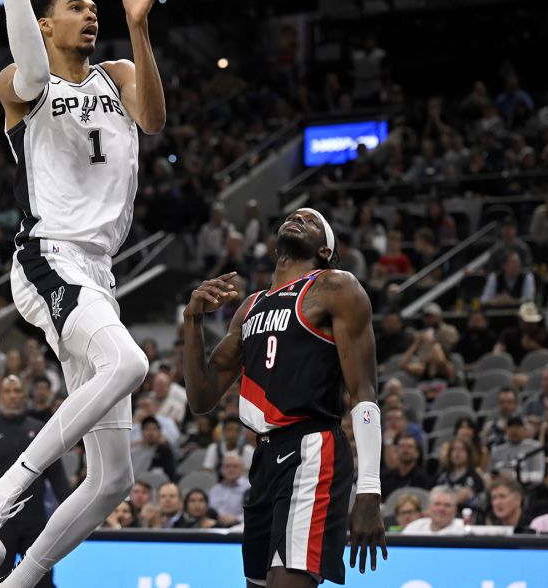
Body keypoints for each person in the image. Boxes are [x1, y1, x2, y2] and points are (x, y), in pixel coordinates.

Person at [0, 0, 165, 588]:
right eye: (77, 6)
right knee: (129, 364)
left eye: (94, 6)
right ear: (43, 23)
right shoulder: (22, 82)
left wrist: (138, 24)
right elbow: (28, 73)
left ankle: (14, 585)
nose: (90, 14)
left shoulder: (120, 72)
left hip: (99, 272)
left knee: (111, 482)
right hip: (49, 259)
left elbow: (156, 122)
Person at [182, 208, 387, 586]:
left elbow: (364, 395)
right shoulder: (250, 306)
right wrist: (192, 321)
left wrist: (369, 490)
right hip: (263, 461)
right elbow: (201, 397)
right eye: (294, 215)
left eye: (310, 221)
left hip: (312, 448)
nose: (297, 218)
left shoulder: (335, 287)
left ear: (325, 251)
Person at [0, 375, 70, 587]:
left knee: (43, 582)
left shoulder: (40, 430)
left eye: (16, 391)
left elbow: (57, 477)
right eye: (7, 391)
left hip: (35, 522)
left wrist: (73, 514)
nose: (12, 396)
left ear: (23, 395)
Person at [490, 415, 545, 484]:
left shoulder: (534, 447)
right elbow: (490, 474)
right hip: (500, 486)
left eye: (518, 426)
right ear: (506, 430)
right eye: (511, 426)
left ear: (525, 429)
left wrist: (514, 476)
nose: (514, 430)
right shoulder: (497, 450)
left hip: (525, 487)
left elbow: (539, 475)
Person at [208, 453, 251, 527]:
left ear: (243, 469)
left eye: (235, 466)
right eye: (227, 466)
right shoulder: (215, 490)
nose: (231, 469)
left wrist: (237, 518)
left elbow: (256, 514)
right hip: (215, 529)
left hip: (241, 529)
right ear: (221, 470)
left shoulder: (250, 488)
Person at [401, 486, 466, 535]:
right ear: (429, 507)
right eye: (437, 504)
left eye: (447, 505)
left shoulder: (464, 530)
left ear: (455, 510)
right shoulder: (415, 527)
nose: (441, 509)